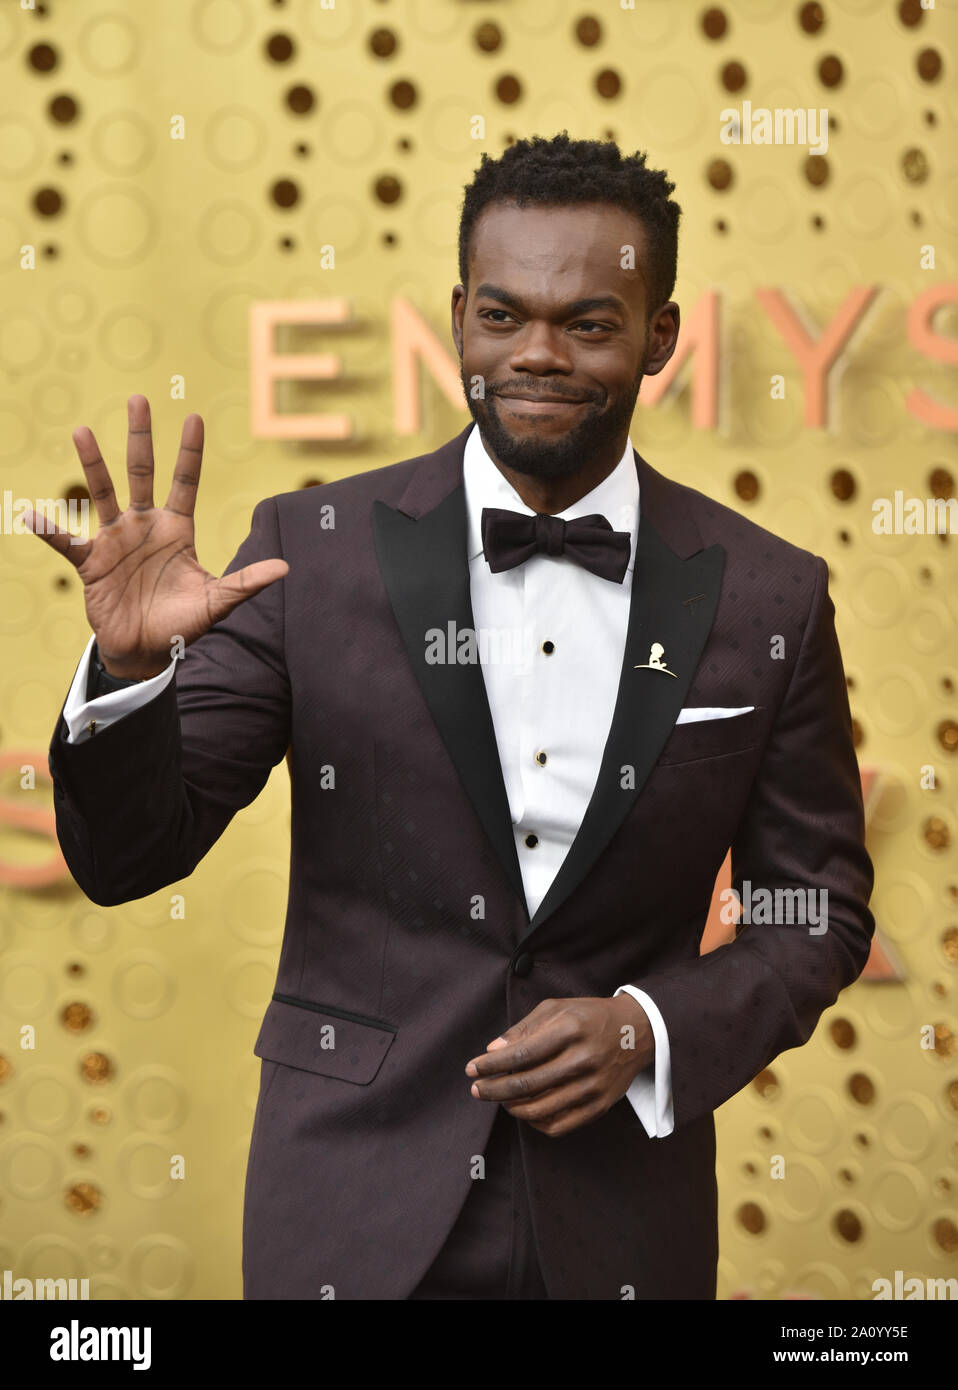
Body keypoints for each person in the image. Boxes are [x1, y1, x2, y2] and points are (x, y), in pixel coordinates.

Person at [33, 133, 874, 1300]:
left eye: (587, 322)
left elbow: (814, 914)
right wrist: (130, 677)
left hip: (623, 1226)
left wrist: (646, 1027)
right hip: (347, 1213)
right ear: (456, 320)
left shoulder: (768, 591)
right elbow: (130, 855)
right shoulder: (307, 555)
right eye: (501, 315)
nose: (536, 353)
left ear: (659, 338)